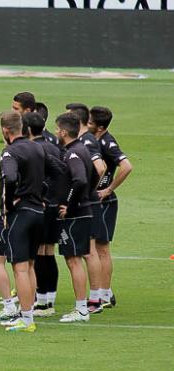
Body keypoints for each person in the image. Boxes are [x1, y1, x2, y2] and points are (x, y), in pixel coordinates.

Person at [0, 111, 46, 333]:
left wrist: (9, 204)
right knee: (30, 266)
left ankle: (26, 320)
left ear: (6, 130)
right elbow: (58, 170)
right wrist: (44, 196)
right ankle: (28, 313)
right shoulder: (38, 147)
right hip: (38, 212)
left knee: (20, 269)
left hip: (21, 215)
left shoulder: (10, 151)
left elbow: (10, 178)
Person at [88, 106, 133, 308]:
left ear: (100, 127)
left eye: (89, 122)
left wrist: (108, 189)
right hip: (97, 200)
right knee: (96, 248)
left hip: (105, 202)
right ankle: (105, 292)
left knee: (102, 249)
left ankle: (105, 294)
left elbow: (127, 166)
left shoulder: (107, 142)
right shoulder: (96, 141)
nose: (85, 125)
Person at [54, 112, 97, 323]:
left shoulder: (73, 153)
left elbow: (79, 180)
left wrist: (69, 207)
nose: (55, 133)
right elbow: (94, 176)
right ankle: (82, 307)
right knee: (74, 260)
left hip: (76, 215)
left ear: (63, 131)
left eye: (57, 129)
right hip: (82, 211)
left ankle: (81, 309)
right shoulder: (81, 149)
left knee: (74, 261)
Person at [23, 112, 65, 317]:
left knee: (39, 252)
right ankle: (49, 300)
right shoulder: (53, 145)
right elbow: (62, 173)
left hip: (43, 207)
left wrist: (43, 195)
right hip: (55, 206)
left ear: (28, 129)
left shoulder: (36, 149)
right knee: (48, 251)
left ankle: (41, 302)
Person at [66, 103, 106, 313]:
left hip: (87, 203)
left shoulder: (86, 141)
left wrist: (89, 191)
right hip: (88, 201)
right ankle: (96, 298)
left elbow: (101, 167)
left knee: (90, 252)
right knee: (89, 251)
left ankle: (95, 299)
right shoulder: (84, 140)